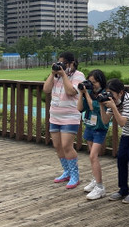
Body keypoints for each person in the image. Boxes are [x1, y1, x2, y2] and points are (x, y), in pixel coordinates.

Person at [43, 52, 86, 189]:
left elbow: (71, 92)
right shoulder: (56, 76)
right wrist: (53, 73)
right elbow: (46, 89)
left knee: (67, 145)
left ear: (71, 63)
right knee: (57, 145)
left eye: (63, 63)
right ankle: (66, 171)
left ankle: (75, 175)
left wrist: (63, 75)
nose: (61, 66)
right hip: (55, 115)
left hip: (70, 115)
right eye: (59, 62)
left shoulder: (79, 76)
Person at [77, 69, 109, 200]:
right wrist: (81, 93)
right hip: (90, 126)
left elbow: (93, 107)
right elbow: (80, 108)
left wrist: (87, 94)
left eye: (94, 82)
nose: (92, 84)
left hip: (100, 128)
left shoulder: (105, 94)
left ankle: (100, 187)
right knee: (92, 156)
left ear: (100, 81)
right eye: (90, 82)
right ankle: (95, 180)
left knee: (93, 156)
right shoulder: (88, 92)